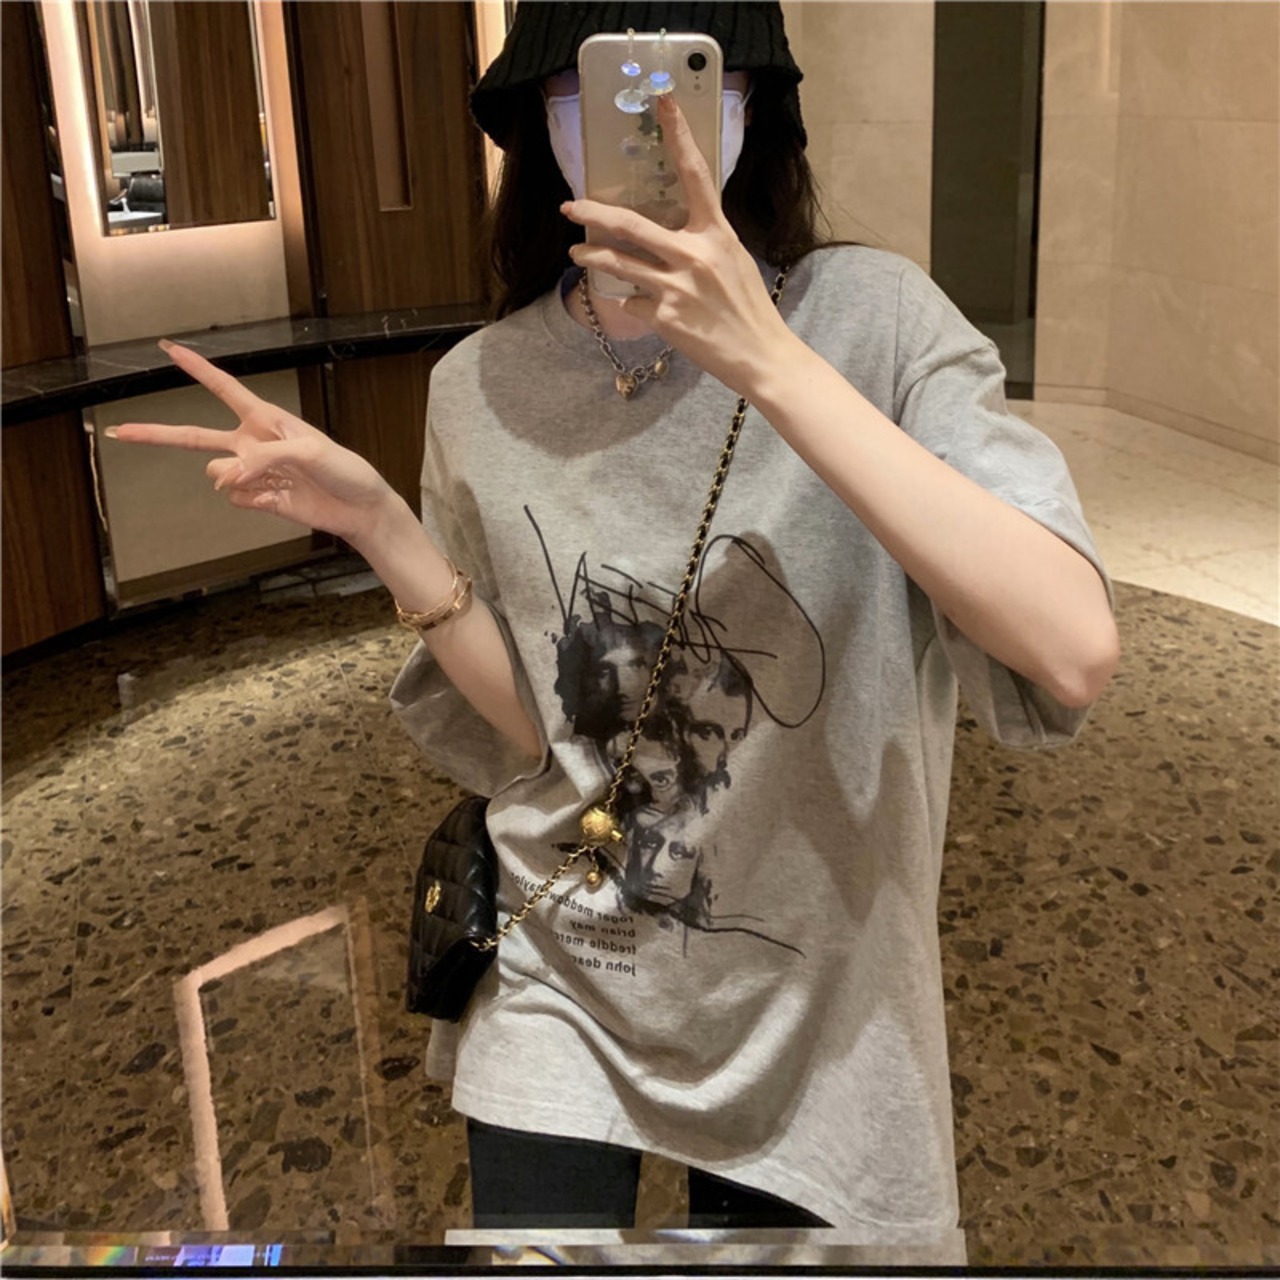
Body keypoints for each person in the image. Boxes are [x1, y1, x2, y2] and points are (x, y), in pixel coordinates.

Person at [111, 1, 1118, 1250]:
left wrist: (770, 361)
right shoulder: (478, 384)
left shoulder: (876, 320)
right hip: (560, 970)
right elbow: (540, 732)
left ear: (749, 106)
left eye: (688, 77)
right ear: (543, 116)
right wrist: (380, 526)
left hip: (815, 1004)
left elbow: (1069, 642)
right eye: (599, 81)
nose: (648, 118)